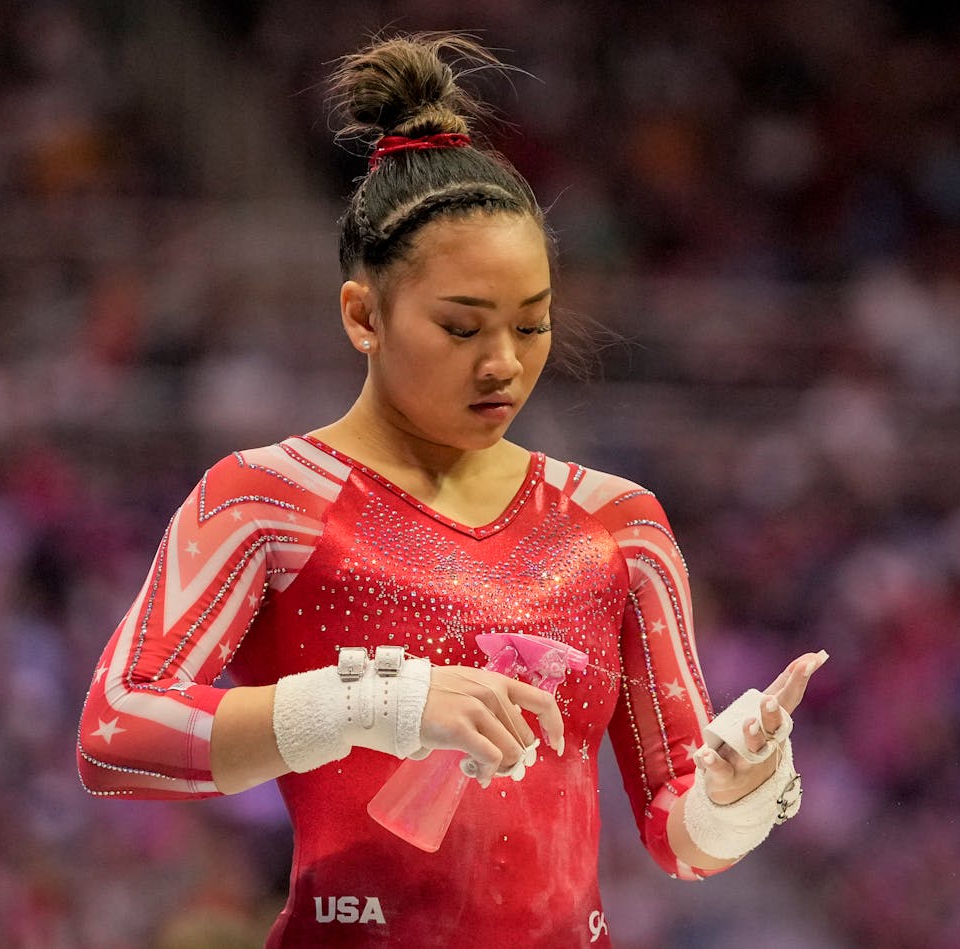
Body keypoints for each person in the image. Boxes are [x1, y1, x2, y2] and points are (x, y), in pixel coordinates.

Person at [77, 33, 824, 947]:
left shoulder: (618, 525)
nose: (504, 363)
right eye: (461, 327)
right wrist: (375, 702)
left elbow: (680, 838)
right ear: (363, 315)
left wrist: (736, 788)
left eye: (532, 323)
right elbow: (116, 730)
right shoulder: (266, 499)